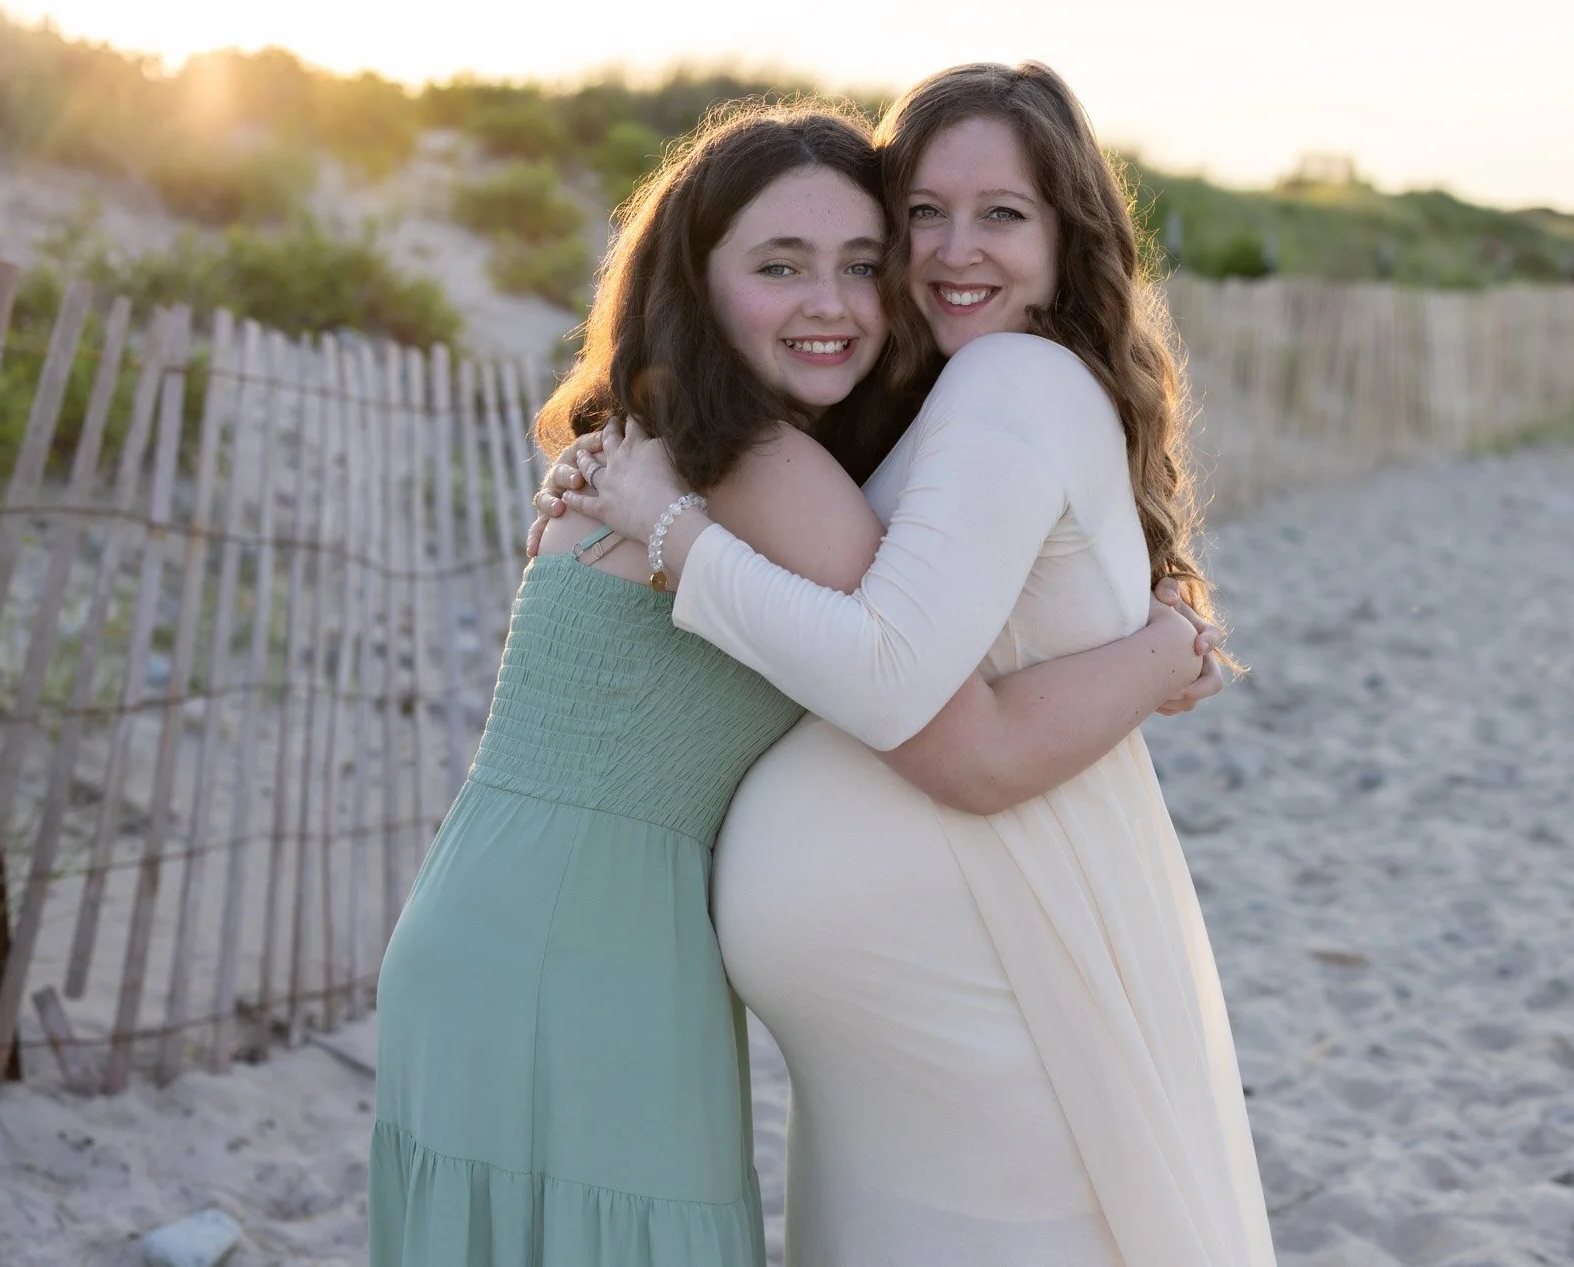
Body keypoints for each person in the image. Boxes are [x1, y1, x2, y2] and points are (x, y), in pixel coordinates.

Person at [371, 103, 1221, 1267]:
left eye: (861, 265)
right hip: (584, 947)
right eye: (780, 266)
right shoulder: (755, 467)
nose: (831, 302)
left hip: (499, 922)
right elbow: (949, 716)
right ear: (697, 281)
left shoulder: (678, 446)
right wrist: (1159, 651)